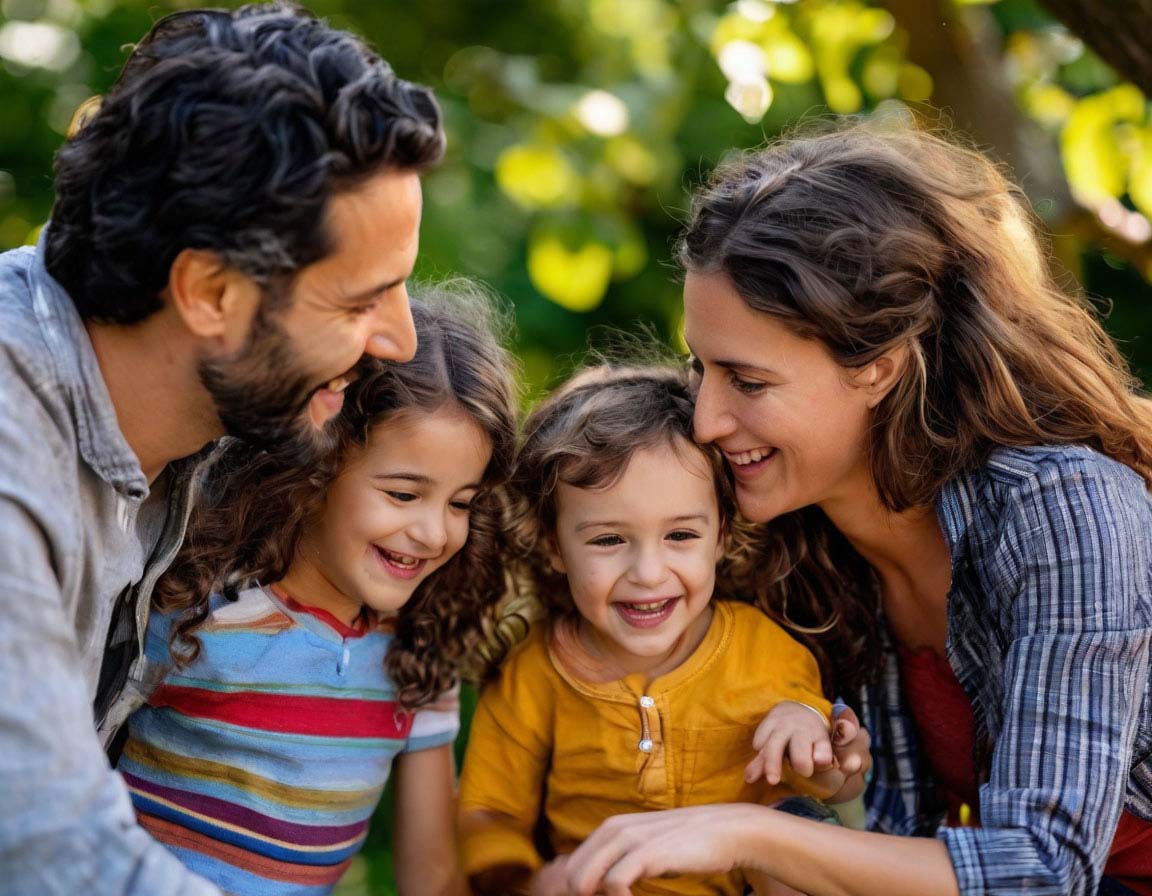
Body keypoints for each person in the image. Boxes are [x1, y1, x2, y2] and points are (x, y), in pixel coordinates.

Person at [549, 122, 1152, 896]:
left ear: (878, 366)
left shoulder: (1064, 509)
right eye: (701, 368)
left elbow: (1036, 869)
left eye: (748, 381)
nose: (706, 419)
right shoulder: (790, 534)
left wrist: (749, 833)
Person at [0, 4, 443, 893]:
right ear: (208, 292)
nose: (399, 339)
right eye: (360, 303)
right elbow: (53, 852)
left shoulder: (207, 425)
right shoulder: (15, 456)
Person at [116, 288, 517, 896]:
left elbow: (431, 876)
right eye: (404, 495)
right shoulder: (194, 605)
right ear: (316, 466)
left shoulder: (419, 655)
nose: (434, 532)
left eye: (461, 503)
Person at [458, 364, 869, 896]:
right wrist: (535, 882)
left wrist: (813, 738)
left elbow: (830, 787)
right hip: (599, 886)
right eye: (608, 540)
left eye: (679, 535)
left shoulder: (762, 651)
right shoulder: (533, 674)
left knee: (795, 833)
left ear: (721, 535)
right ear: (555, 546)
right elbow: (488, 813)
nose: (648, 573)